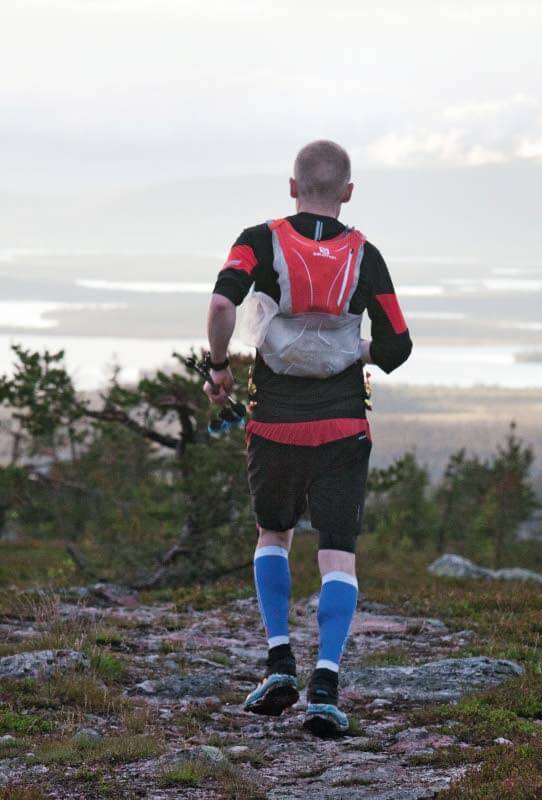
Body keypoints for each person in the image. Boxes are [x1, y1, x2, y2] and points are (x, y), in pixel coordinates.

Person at [203, 140, 413, 737]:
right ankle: (325, 682)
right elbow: (397, 345)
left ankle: (278, 663)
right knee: (337, 552)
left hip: (274, 419)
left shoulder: (259, 240)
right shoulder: (366, 255)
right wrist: (353, 350)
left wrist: (218, 368)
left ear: (292, 187)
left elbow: (223, 302)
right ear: (347, 192)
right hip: (345, 423)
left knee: (274, 533)